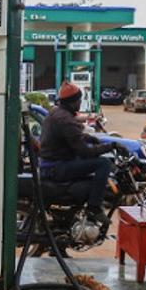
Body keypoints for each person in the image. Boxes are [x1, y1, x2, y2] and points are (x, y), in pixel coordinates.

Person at [39, 81, 121, 227]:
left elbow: (73, 137)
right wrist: (111, 146)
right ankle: (94, 208)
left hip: (52, 164)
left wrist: (92, 139)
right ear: (71, 102)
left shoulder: (57, 113)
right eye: (78, 100)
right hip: (57, 167)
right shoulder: (65, 119)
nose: (79, 103)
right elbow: (84, 151)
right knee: (103, 164)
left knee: (91, 167)